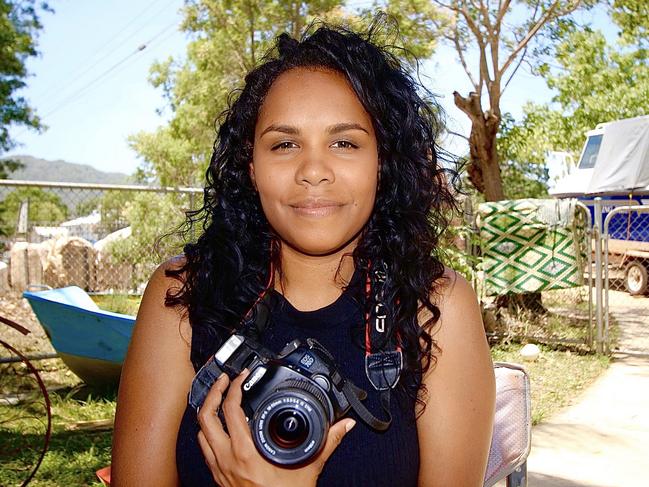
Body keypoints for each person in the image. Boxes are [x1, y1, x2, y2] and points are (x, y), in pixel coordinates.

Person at [111, 16, 495, 487]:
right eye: (285, 143)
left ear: (383, 162)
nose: (313, 170)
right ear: (251, 168)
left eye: (344, 142)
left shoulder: (436, 309)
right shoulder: (181, 298)